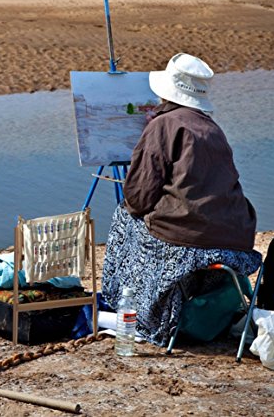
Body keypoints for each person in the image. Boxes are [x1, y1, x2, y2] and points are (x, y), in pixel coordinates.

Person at [102, 53, 262, 347]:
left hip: (191, 242)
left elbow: (137, 198)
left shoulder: (162, 125)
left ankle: (135, 309)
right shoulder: (212, 127)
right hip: (236, 239)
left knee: (125, 217)